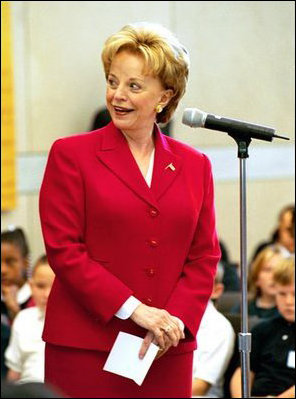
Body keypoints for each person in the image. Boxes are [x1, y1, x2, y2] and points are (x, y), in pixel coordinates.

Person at [39, 22, 221, 398]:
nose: (117, 95)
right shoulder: (70, 155)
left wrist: (173, 320)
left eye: (133, 86)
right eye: (112, 81)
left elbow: (204, 256)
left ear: (164, 96)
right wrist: (135, 310)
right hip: (86, 347)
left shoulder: (195, 165)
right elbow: (64, 249)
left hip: (165, 349)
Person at [230, 256, 295, 398]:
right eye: (282, 294)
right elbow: (242, 372)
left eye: (294, 294)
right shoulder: (262, 330)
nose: (289, 301)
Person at [4, 255, 55, 384]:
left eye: (55, 287)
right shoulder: (23, 319)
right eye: (40, 286)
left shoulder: (77, 325)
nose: (47, 294)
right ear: (31, 286)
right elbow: (14, 371)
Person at [192, 263, 235, 398]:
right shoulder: (162, 316)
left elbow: (200, 387)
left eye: (201, 281)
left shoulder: (220, 327)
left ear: (216, 290)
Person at [231, 245, 282, 319]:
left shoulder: (289, 312)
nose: (274, 276)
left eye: (279, 270)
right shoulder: (242, 310)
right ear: (256, 278)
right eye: (267, 270)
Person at [1, 227, 32, 325]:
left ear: (25, 263)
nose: (2, 270)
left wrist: (14, 311)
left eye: (10, 262)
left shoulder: (36, 297)